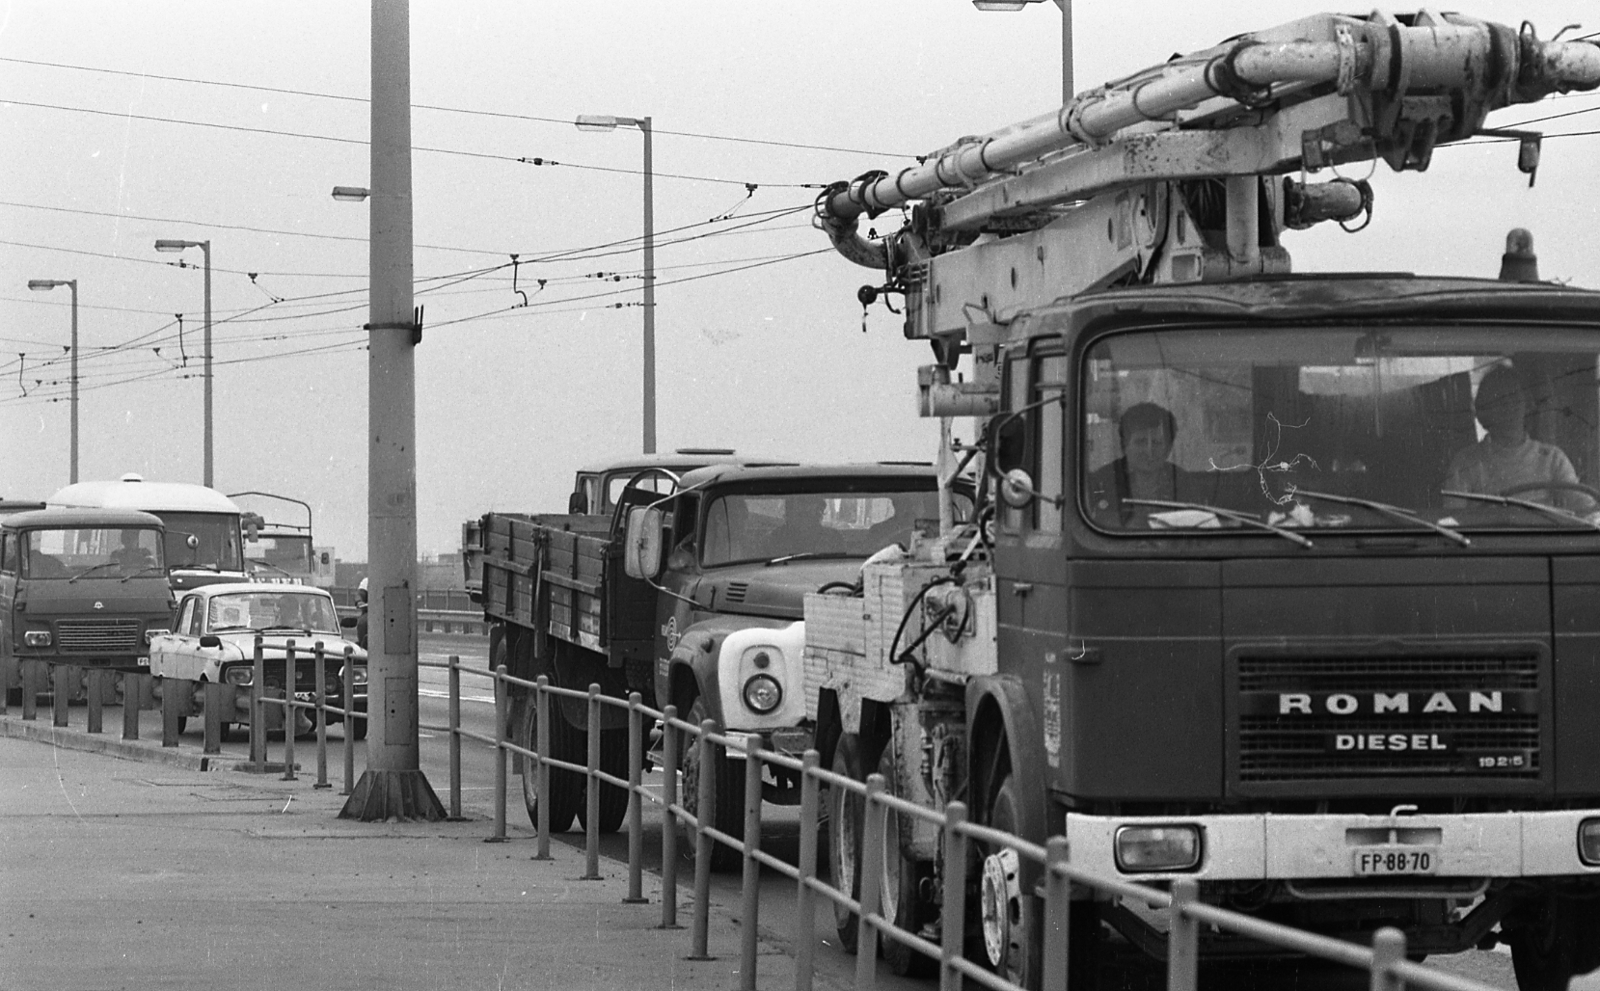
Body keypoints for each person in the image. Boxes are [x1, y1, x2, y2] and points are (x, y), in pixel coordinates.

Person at [1442, 365, 1593, 512]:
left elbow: (1586, 508)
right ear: (1484, 409)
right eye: (1499, 400)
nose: (1508, 406)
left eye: (1514, 397)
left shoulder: (1552, 459)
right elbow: (1452, 518)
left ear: (1527, 405)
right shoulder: (1465, 463)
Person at [1086, 402, 1213, 527]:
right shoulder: (1101, 482)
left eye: (1157, 442)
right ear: (1125, 445)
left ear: (1168, 449)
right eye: (1141, 442)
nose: (1149, 450)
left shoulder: (1184, 484)